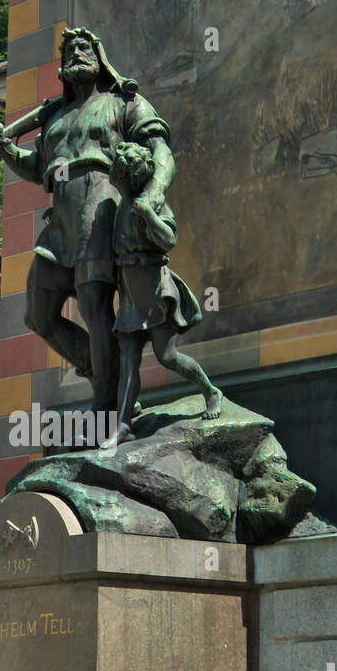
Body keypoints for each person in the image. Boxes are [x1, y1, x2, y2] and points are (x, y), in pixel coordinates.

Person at [0, 27, 173, 417]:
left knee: (93, 303)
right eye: (69, 49)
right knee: (38, 312)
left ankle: (105, 403)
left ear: (99, 57)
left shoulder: (123, 102)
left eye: (84, 47)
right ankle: (105, 373)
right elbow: (37, 170)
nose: (76, 53)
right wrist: (5, 149)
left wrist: (153, 193)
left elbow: (162, 151)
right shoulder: (56, 117)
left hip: (100, 207)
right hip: (61, 221)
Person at [102, 141, 222, 448]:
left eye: (119, 168)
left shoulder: (151, 203)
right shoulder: (119, 208)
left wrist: (150, 217)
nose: (114, 171)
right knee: (128, 363)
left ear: (130, 176)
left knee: (167, 356)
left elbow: (169, 239)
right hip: (130, 295)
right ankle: (123, 425)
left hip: (155, 291)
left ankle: (210, 391)